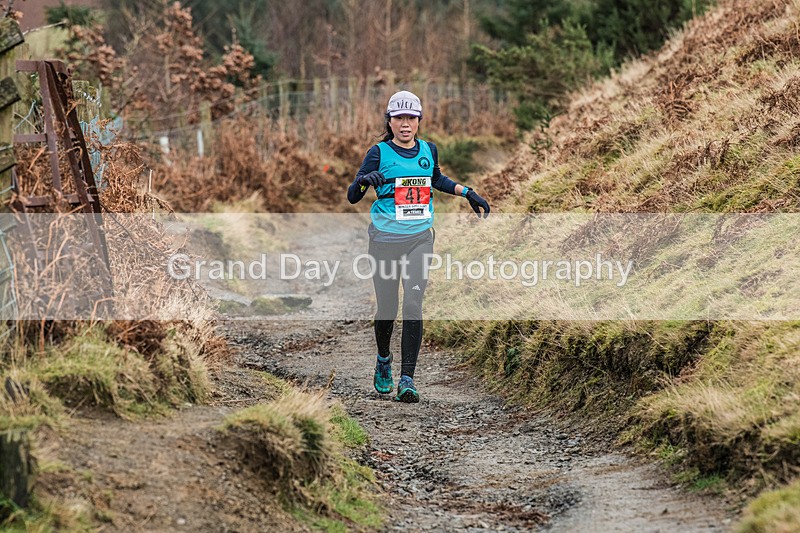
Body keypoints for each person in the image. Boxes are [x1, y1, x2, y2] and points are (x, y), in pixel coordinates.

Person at [347, 90, 490, 403]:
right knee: (387, 308)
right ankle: (384, 358)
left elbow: (435, 178)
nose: (405, 124)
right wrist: (365, 180)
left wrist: (468, 193)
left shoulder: (429, 150)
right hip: (384, 240)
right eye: (399, 118)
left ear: (419, 121)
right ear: (390, 121)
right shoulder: (378, 153)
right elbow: (352, 195)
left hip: (419, 238)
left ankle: (407, 379)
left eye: (411, 118)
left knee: (412, 303)